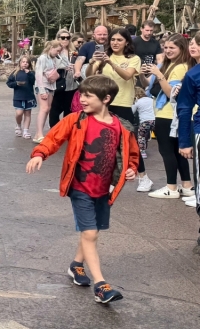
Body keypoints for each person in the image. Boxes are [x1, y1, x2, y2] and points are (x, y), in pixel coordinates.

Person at [27, 76, 139, 304]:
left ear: (106, 99)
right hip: (79, 186)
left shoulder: (122, 126)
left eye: (88, 96)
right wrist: (39, 154)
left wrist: (132, 168)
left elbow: (132, 154)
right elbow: (53, 138)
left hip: (105, 189)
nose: (82, 100)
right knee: (90, 233)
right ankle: (101, 286)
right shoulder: (76, 119)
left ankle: (76, 265)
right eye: (81, 95)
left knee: (92, 230)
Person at [85, 27, 151, 192]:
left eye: (119, 40)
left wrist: (110, 63)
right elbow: (90, 76)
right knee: (106, 143)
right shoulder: (105, 56)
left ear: (126, 42)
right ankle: (110, 179)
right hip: (104, 104)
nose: (115, 43)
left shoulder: (133, 58)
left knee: (129, 143)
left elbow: (127, 76)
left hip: (123, 104)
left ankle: (143, 177)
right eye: (113, 39)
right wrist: (93, 62)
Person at [142, 34, 193, 200]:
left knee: (167, 151)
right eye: (166, 47)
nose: (168, 50)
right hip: (168, 113)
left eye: (172, 48)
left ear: (182, 48)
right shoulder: (169, 64)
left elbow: (171, 93)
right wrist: (144, 74)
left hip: (169, 114)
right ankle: (187, 185)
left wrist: (159, 74)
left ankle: (171, 187)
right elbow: (149, 85)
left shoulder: (180, 67)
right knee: (177, 151)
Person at [176, 32, 200, 217]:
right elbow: (184, 108)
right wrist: (184, 141)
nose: (193, 46)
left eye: (197, 43)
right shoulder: (192, 74)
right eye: (192, 43)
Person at [33, 40, 63, 142]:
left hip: (51, 86)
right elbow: (38, 74)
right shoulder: (42, 58)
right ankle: (39, 134)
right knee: (44, 108)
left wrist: (58, 56)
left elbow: (60, 64)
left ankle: (38, 134)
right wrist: (41, 90)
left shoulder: (53, 58)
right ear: (51, 48)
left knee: (47, 109)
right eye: (57, 50)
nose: (58, 53)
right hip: (43, 85)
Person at [47, 28, 76, 126]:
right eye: (63, 37)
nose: (65, 39)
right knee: (54, 110)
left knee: (69, 110)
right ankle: (55, 130)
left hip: (71, 84)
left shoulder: (73, 51)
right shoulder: (54, 51)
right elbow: (48, 65)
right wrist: (64, 67)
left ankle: (66, 130)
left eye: (68, 37)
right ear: (58, 38)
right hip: (58, 84)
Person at [7, 55, 36, 139]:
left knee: (27, 114)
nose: (25, 63)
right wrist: (16, 84)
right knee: (19, 113)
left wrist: (29, 74)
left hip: (29, 96)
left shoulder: (31, 73)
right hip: (18, 97)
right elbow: (9, 83)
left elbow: (34, 82)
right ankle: (18, 125)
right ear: (20, 63)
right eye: (23, 62)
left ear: (29, 64)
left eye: (27, 62)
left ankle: (26, 131)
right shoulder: (15, 73)